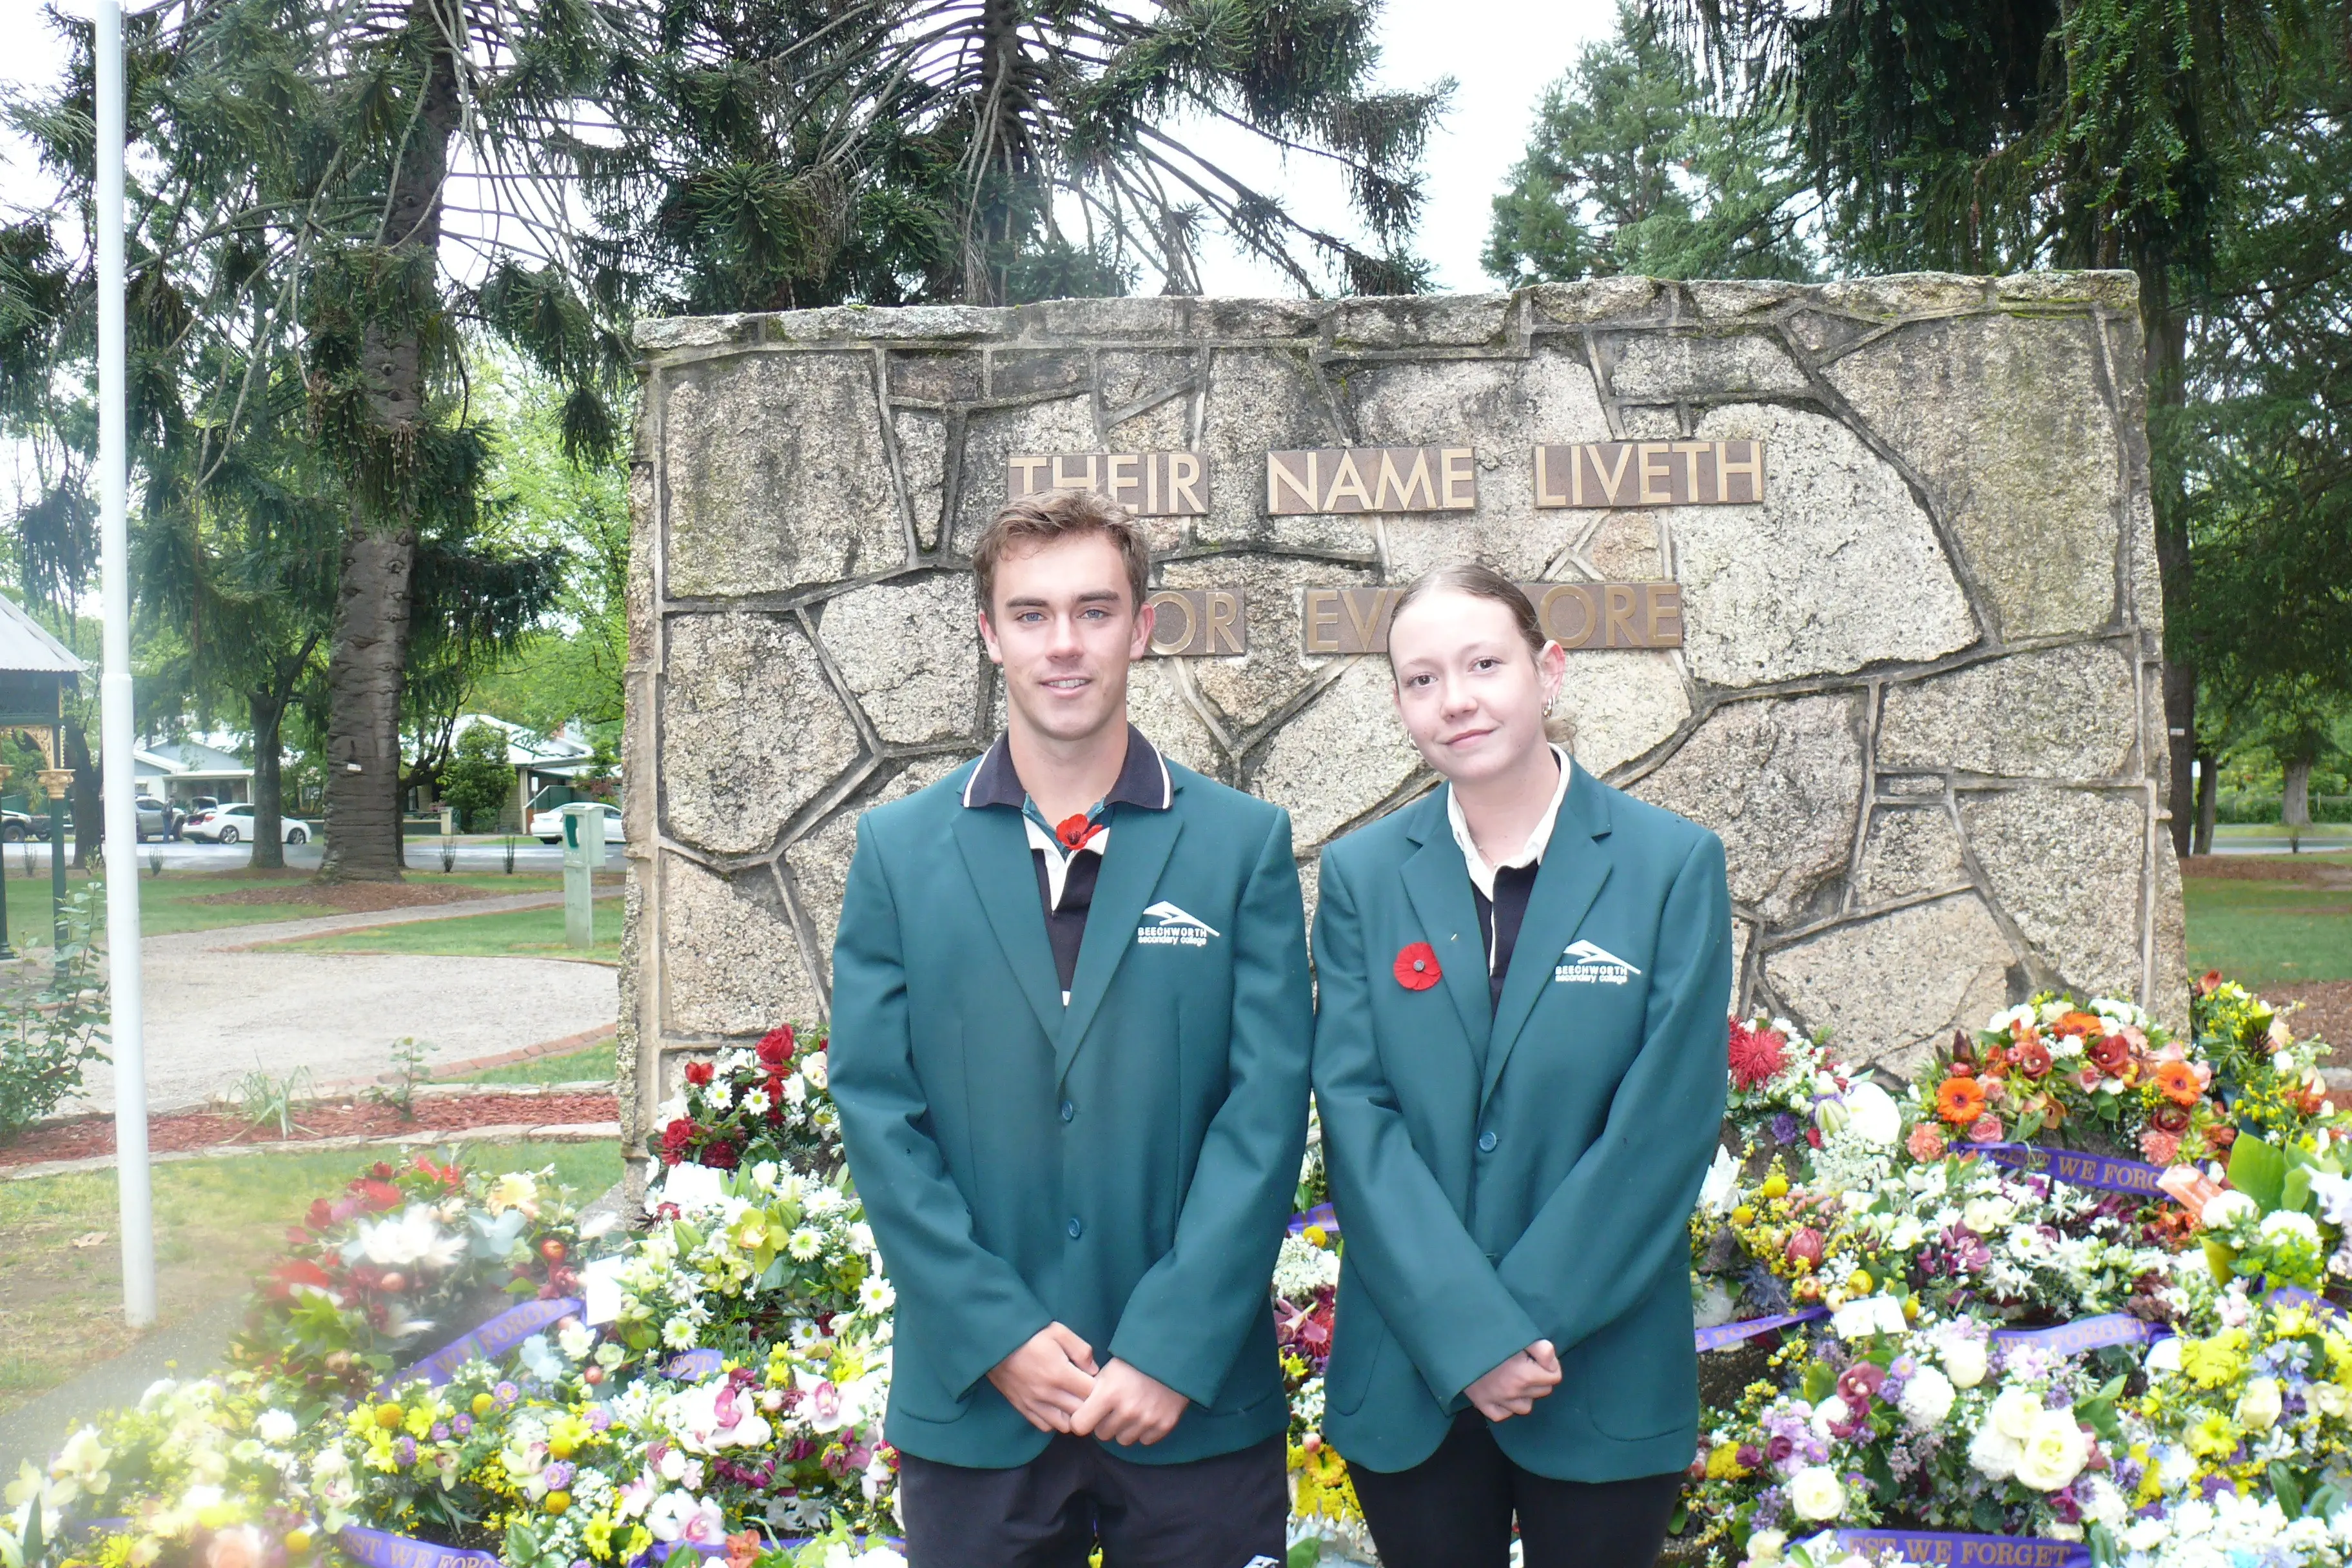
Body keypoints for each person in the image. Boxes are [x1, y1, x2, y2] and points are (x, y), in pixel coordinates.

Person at [828, 489, 1313, 1568]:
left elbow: (1268, 1109)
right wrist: (993, 1330)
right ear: (989, 633)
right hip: (977, 1403)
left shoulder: (1240, 846)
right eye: (1033, 614)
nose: (1065, 645)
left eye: (1095, 612)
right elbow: (877, 1109)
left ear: (1142, 628)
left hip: (1194, 1406)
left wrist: (1173, 1346)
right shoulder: (900, 853)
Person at [1309, 562, 1732, 1568]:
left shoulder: (1671, 866)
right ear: (1401, 703)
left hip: (1599, 1365)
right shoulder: (1363, 877)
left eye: (1484, 664)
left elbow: (1661, 1129)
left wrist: (1515, 1333)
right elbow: (1358, 1118)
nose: (1455, 699)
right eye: (1422, 679)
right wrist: (1467, 1336)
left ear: (1550, 671)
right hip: (1413, 1372)